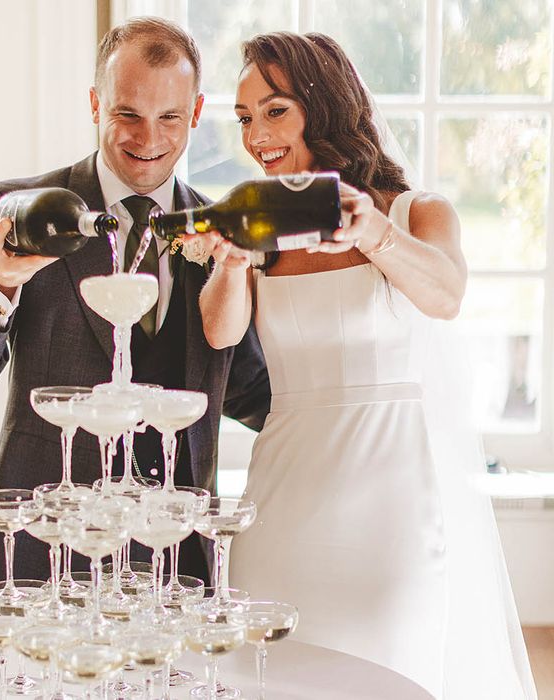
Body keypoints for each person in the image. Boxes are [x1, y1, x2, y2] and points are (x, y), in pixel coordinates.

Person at [198, 31, 537, 699]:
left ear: (320, 107)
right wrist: (233, 260)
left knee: (389, 672)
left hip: (390, 509)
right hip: (283, 500)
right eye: (243, 119)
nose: (256, 136)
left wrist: (375, 234)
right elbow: (219, 331)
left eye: (274, 111)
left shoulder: (419, 212)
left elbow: (445, 294)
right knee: (269, 675)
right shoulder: (262, 230)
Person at [0, 17, 270, 590]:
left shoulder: (225, 231)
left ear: (195, 111)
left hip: (173, 547)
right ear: (95, 103)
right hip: (46, 539)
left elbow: (251, 394)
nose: (149, 139)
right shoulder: (22, 211)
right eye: (127, 114)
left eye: (168, 117)